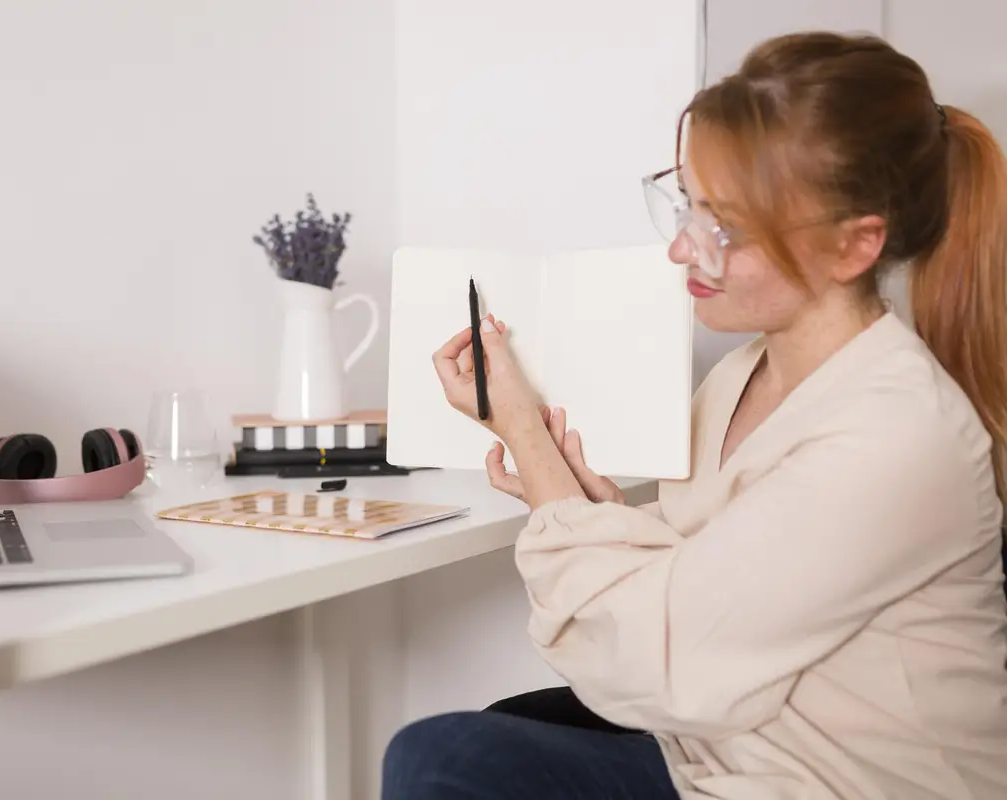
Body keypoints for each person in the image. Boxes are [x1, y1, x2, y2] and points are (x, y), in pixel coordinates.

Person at [381, 31, 1007, 800]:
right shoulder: (745, 374)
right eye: (688, 206)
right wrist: (582, 497)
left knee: (446, 759)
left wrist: (529, 443)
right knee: (500, 733)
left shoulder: (895, 431)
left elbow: (656, 659)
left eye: (726, 228)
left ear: (853, 247)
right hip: (721, 747)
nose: (683, 249)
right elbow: (710, 581)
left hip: (828, 784)